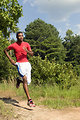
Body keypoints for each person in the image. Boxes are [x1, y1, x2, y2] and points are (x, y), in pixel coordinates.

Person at [4, 31, 35, 107]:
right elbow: (5, 50)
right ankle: (29, 100)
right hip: (19, 64)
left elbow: (32, 54)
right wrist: (10, 59)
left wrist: (27, 51)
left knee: (28, 82)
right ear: (17, 37)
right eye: (19, 36)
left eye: (22, 36)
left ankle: (19, 80)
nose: (21, 37)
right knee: (24, 78)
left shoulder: (26, 44)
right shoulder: (14, 45)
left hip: (27, 64)